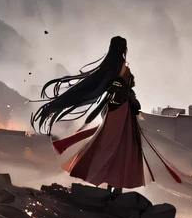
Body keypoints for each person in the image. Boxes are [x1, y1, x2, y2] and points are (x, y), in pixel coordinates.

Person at [32, 35, 180, 192]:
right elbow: (124, 90)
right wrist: (131, 99)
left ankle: (112, 186)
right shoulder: (120, 67)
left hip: (118, 110)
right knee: (116, 146)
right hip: (121, 111)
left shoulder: (112, 67)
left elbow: (119, 89)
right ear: (123, 49)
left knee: (110, 144)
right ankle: (113, 187)